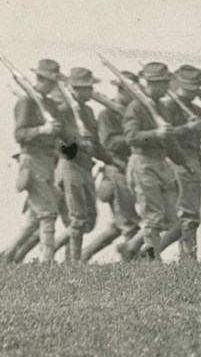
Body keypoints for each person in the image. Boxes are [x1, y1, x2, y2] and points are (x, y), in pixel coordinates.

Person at [122, 62, 191, 261]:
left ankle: (133, 250)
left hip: (162, 164)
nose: (166, 87)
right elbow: (131, 137)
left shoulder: (162, 107)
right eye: (162, 83)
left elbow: (170, 141)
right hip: (143, 162)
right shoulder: (135, 107)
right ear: (150, 83)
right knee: (152, 217)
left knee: (173, 220)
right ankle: (154, 263)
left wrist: (184, 161)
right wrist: (155, 133)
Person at [5, 59, 64, 262]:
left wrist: (55, 132)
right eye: (50, 82)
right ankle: (47, 261)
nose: (54, 86)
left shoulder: (48, 104)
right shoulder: (27, 102)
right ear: (41, 80)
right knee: (47, 213)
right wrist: (42, 130)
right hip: (32, 160)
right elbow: (20, 134)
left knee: (33, 218)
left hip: (48, 161)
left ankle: (7, 256)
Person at [162, 65, 201, 259]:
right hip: (177, 162)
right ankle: (186, 260)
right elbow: (166, 137)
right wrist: (187, 128)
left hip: (193, 162)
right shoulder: (169, 107)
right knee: (186, 216)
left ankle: (187, 257)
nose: (195, 92)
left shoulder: (195, 108)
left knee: (190, 215)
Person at [83, 71, 141, 261]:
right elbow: (109, 143)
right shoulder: (107, 114)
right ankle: (138, 264)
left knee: (118, 225)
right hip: (117, 170)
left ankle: (81, 257)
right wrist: (135, 136)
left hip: (129, 170)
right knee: (130, 223)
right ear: (122, 90)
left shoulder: (133, 113)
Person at [56, 67, 112, 261]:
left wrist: (113, 160)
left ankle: (67, 255)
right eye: (86, 88)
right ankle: (73, 262)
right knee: (78, 219)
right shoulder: (63, 110)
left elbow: (95, 144)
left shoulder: (87, 111)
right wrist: (79, 143)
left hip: (86, 168)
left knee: (89, 220)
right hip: (71, 167)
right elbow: (59, 146)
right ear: (75, 89)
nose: (90, 92)